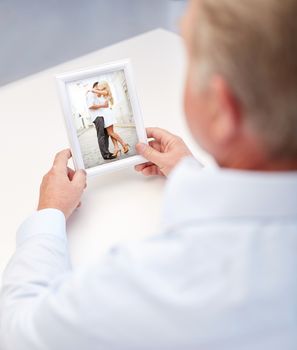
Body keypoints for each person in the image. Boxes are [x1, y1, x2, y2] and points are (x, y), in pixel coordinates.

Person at [1, 0, 297, 349]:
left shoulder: (155, 283)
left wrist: (48, 216)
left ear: (221, 108)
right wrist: (192, 175)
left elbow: (18, 332)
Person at [93, 81, 130, 157]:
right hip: (104, 115)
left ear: (104, 86)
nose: (98, 86)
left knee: (111, 133)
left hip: (107, 114)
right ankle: (116, 148)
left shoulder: (105, 91)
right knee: (110, 133)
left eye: (100, 85)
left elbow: (94, 91)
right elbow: (96, 94)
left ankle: (124, 144)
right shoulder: (101, 93)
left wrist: (90, 90)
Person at [86, 82, 116, 160]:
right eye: (98, 87)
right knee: (101, 136)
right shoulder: (90, 94)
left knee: (106, 135)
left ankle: (107, 152)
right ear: (95, 87)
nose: (99, 89)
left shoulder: (96, 95)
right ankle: (105, 155)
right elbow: (90, 106)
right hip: (97, 117)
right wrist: (103, 106)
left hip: (101, 116)